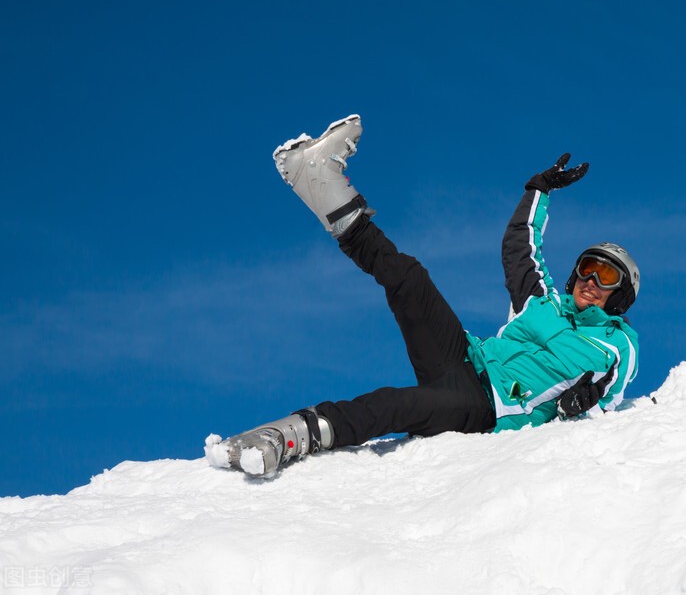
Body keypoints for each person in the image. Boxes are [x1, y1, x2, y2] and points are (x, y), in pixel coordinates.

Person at [209, 114, 640, 478]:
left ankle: (287, 436)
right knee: (409, 278)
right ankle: (318, 180)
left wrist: (585, 404)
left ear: (620, 298)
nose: (591, 279)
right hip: (467, 358)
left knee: (398, 404)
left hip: (488, 406)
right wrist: (538, 191)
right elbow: (520, 248)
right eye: (587, 267)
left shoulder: (615, 346)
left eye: (606, 276)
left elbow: (613, 387)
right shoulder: (542, 301)